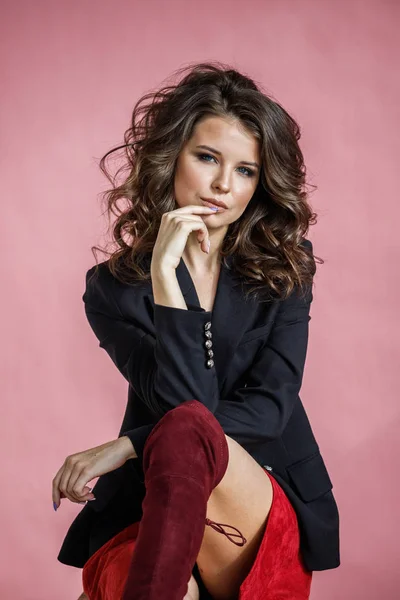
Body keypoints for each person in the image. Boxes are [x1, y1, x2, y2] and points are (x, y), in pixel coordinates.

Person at [53, 61, 340, 599]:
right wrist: (167, 282)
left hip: (255, 501)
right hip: (154, 508)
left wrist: (129, 445)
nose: (223, 185)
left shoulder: (285, 266)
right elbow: (185, 405)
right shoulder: (112, 290)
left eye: (246, 170)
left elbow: (268, 409)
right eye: (207, 157)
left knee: (186, 431)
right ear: (171, 158)